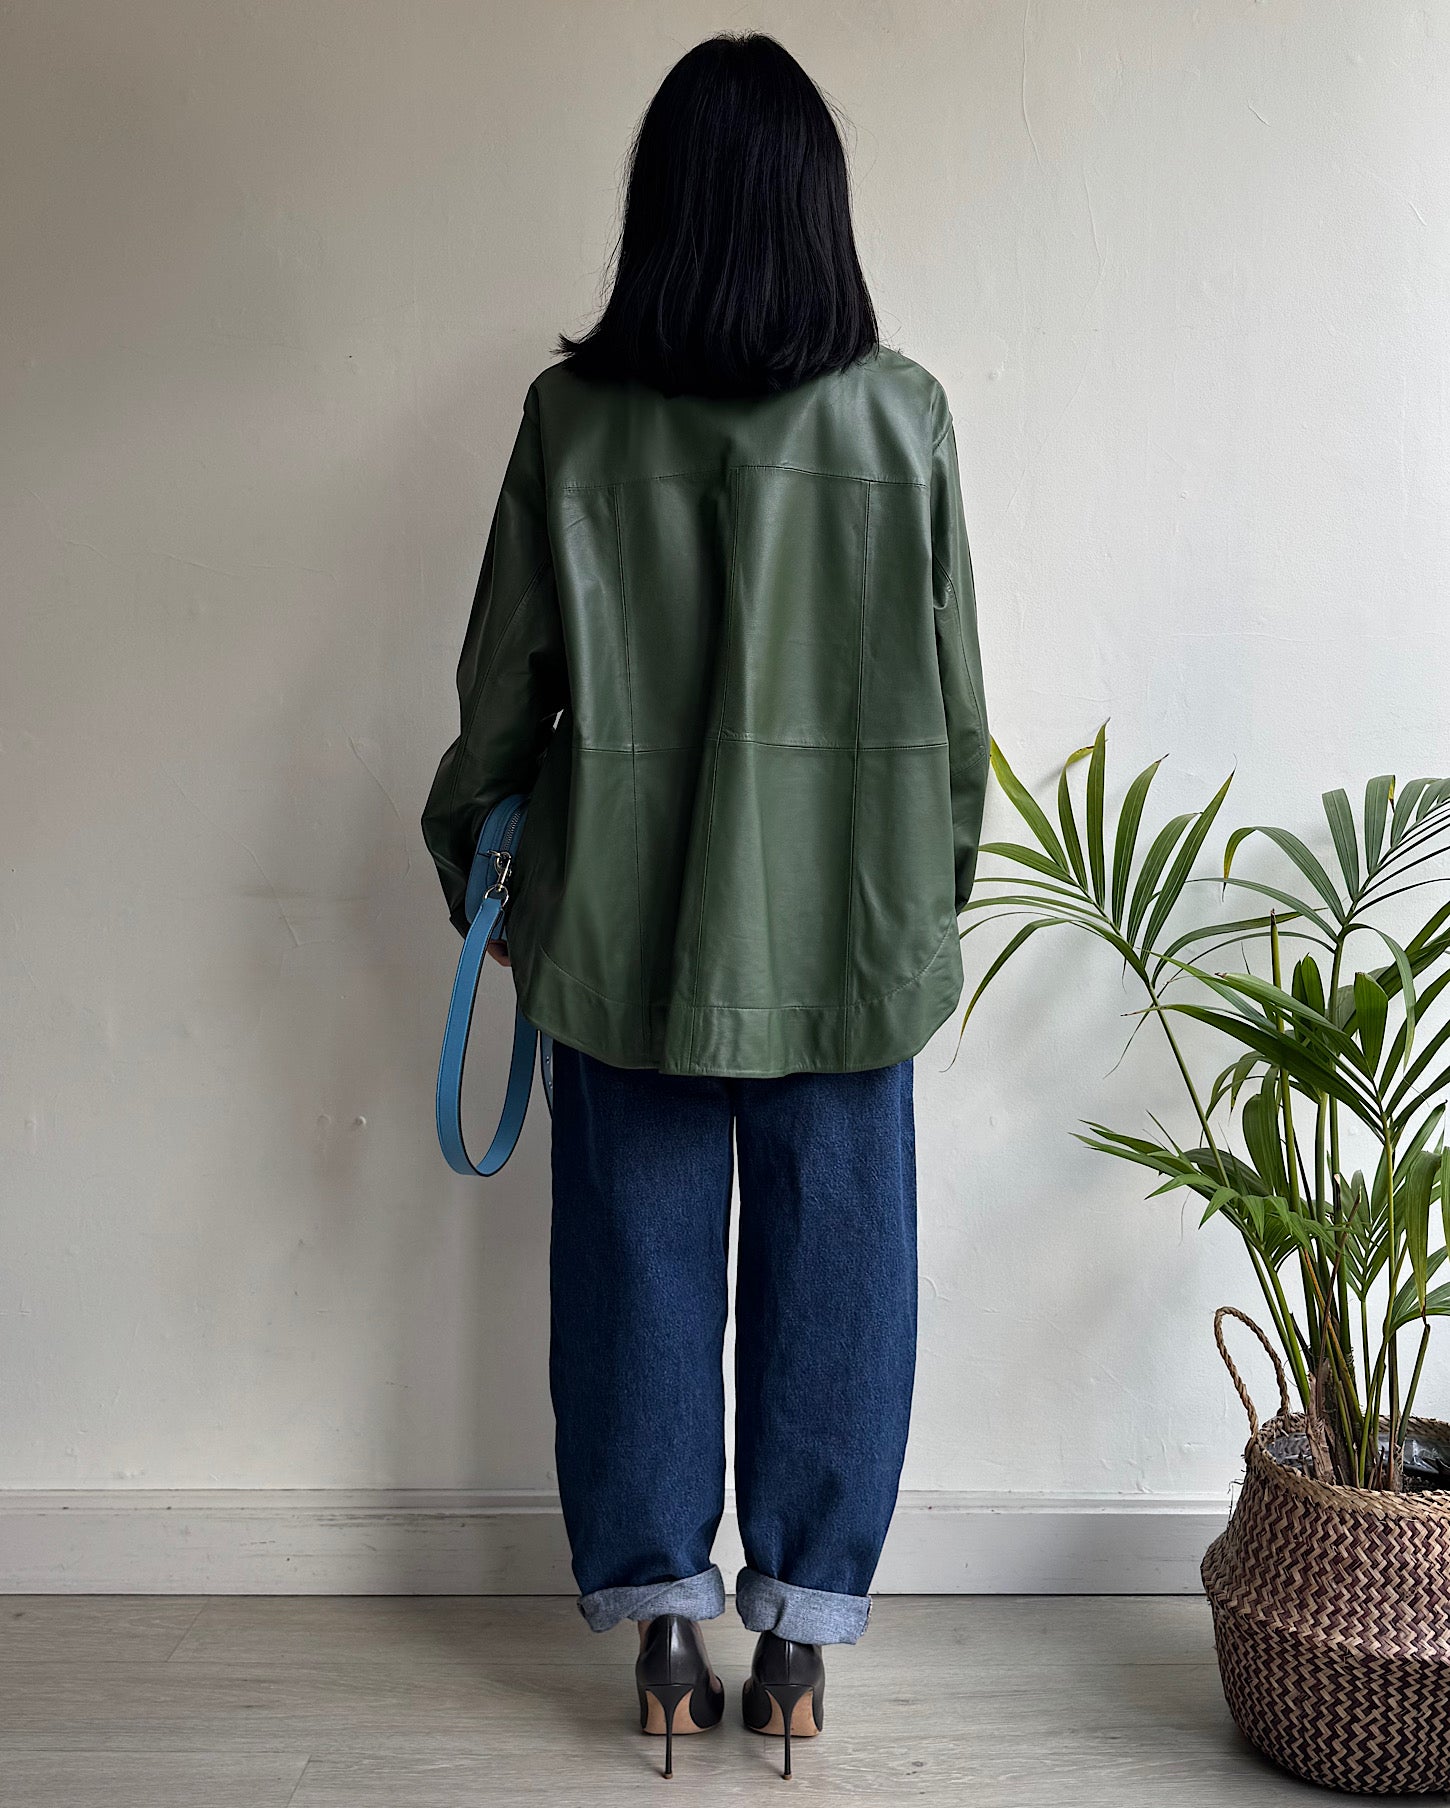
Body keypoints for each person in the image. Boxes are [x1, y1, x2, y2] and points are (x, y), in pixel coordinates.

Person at [422, 31, 987, 1780]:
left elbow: (502, 694)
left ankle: (664, 1632)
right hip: (850, 934)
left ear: (658, 208)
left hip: (625, 932)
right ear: (818, 209)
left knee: (634, 1279)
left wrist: (484, 872)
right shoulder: (900, 416)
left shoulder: (571, 422)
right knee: (840, 1282)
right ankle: (797, 1647)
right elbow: (953, 717)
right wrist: (924, 901)